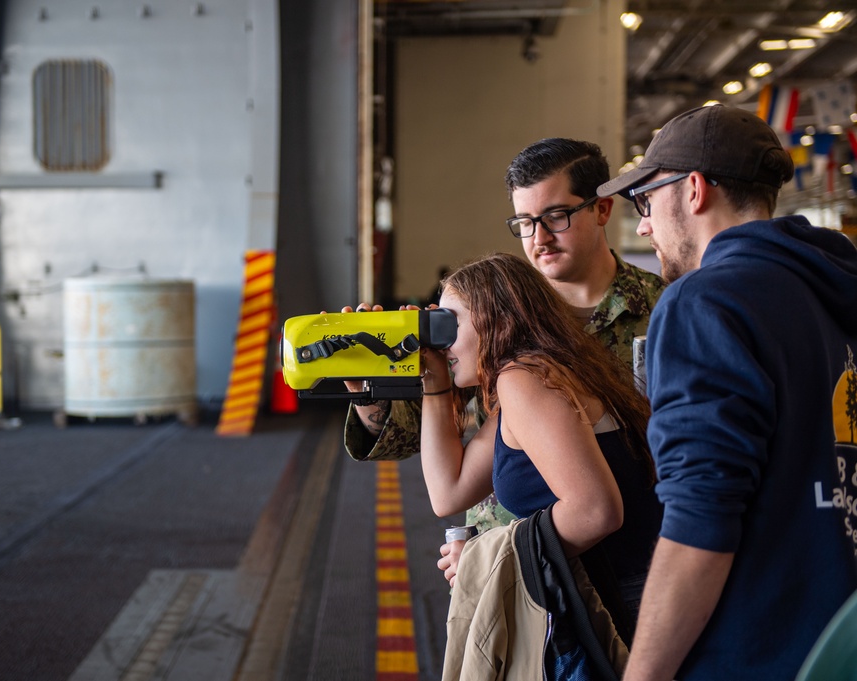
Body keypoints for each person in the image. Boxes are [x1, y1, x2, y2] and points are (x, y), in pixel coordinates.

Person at [596, 103, 857, 680]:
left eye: (645, 202)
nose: (642, 225)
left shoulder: (705, 303)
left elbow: (700, 519)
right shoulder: (833, 293)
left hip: (753, 652)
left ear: (692, 190)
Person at [344, 138, 666, 583]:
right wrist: (371, 389)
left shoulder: (666, 307)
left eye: (556, 216)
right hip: (526, 569)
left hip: (609, 563)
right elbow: (429, 462)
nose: (539, 238)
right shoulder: (506, 314)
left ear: (603, 209)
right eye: (524, 222)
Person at [417, 252, 661, 620]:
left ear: (496, 319)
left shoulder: (525, 379)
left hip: (618, 605)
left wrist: (490, 556)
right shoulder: (535, 373)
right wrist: (434, 382)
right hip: (618, 589)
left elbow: (596, 513)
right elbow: (448, 492)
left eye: (449, 325)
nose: (442, 344)